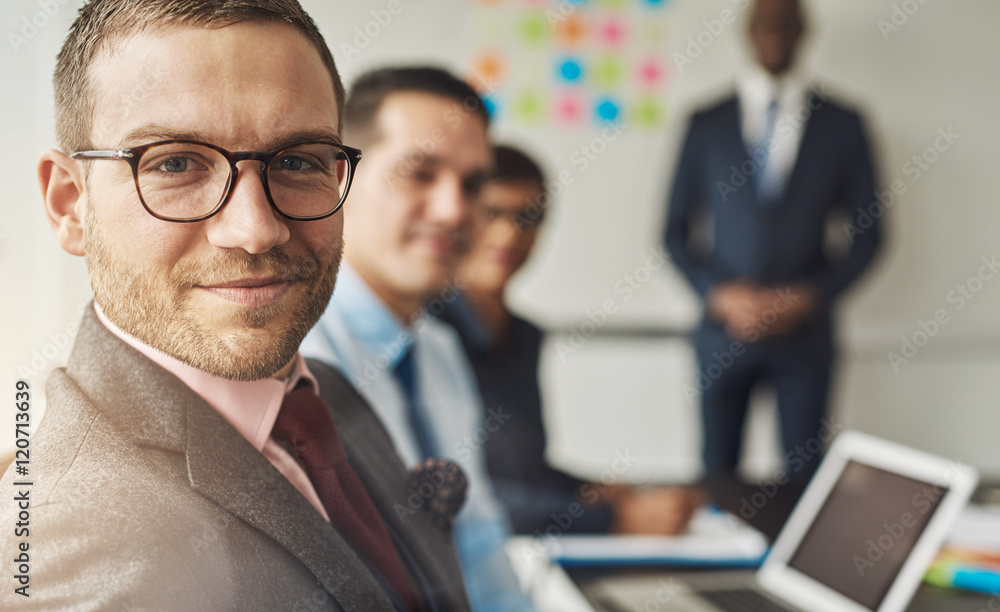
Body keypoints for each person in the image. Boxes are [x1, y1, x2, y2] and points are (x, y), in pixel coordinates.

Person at [0, 2, 469, 610]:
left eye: (298, 161)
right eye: (175, 163)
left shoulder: (321, 394)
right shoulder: (65, 544)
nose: (255, 230)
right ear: (71, 205)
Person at [300, 68, 535, 611]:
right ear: (340, 181)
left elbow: (477, 543)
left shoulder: (440, 354)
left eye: (473, 185)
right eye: (420, 173)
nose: (455, 210)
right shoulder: (290, 359)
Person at [665, 0, 881, 480]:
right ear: (747, 30)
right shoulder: (706, 122)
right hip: (723, 336)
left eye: (786, 23)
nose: (775, 33)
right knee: (717, 478)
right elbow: (674, 232)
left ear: (805, 30)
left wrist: (807, 297)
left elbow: (870, 236)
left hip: (803, 340)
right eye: (765, 23)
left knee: (804, 479)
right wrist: (720, 295)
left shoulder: (844, 124)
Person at [439, 144, 703, 536]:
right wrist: (617, 519)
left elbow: (525, 473)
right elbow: (454, 500)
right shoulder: (428, 335)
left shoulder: (525, 336)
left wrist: (595, 491)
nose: (510, 234)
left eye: (528, 217)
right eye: (491, 213)